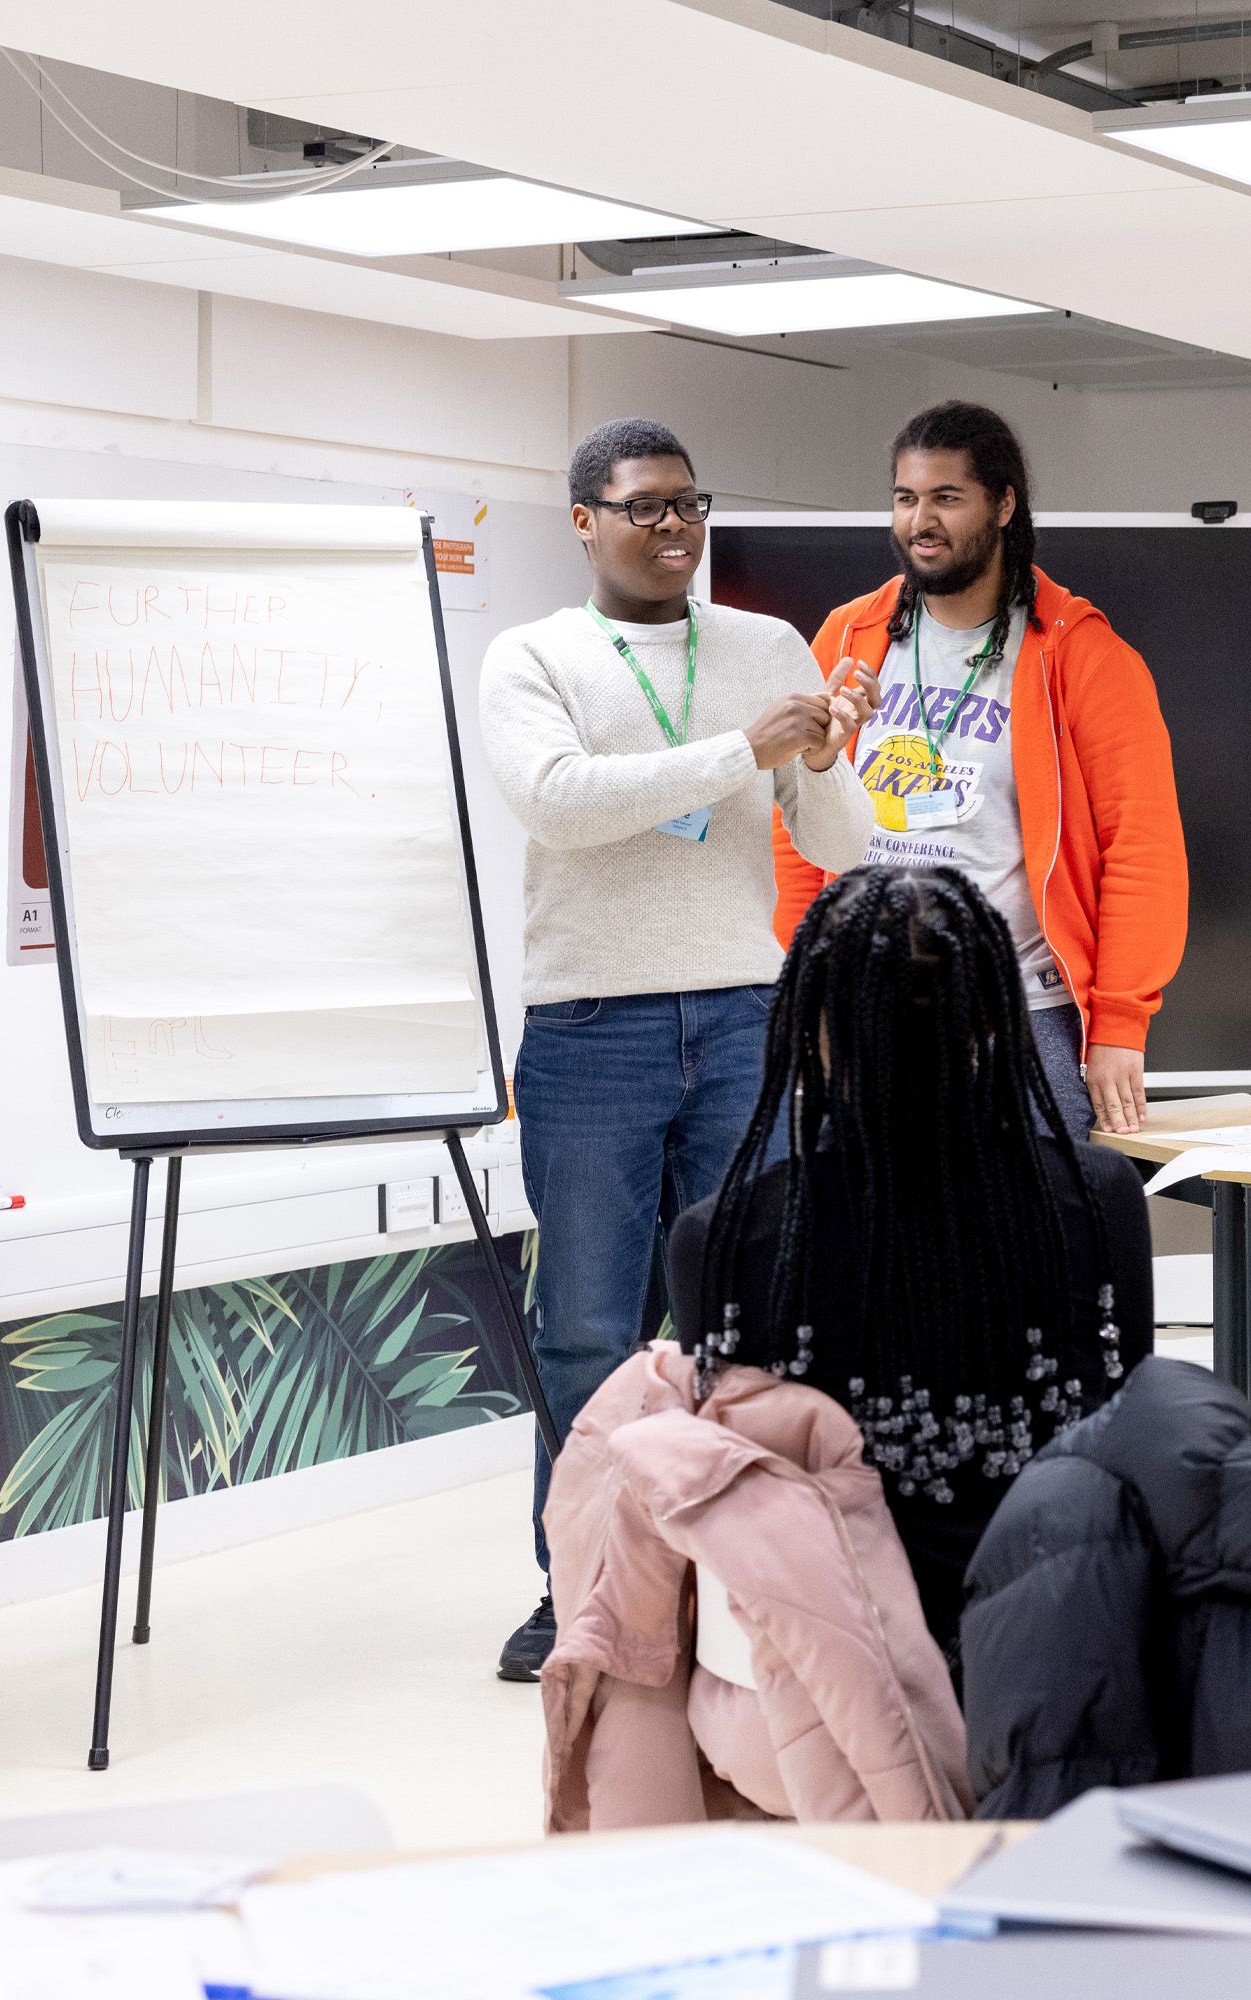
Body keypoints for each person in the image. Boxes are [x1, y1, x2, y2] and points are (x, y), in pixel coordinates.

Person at [481, 418, 880, 1682]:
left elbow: (844, 841)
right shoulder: (533, 655)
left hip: (740, 1013)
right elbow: (563, 803)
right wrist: (740, 751)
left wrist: (822, 757)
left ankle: (738, 1587)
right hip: (591, 1026)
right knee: (587, 1330)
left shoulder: (765, 645)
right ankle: (582, 1593)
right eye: (644, 507)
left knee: (745, 1321)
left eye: (689, 505)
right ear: (585, 520)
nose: (673, 529)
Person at [668, 865, 1154, 1664]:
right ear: (997, 1016)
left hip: (828, 1669)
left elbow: (737, 1495)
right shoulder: (1099, 1195)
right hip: (1061, 1646)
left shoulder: (720, 1235)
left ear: (812, 1024)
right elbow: (1129, 1423)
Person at [773, 400, 1186, 1139]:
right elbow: (792, 820)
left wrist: (1121, 1022)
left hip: (1021, 1017)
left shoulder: (1080, 654)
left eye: (945, 498)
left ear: (1002, 504)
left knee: (1027, 1244)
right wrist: (802, 980)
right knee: (868, 1244)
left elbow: (1142, 847)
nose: (919, 521)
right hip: (868, 1012)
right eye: (905, 498)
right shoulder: (850, 635)